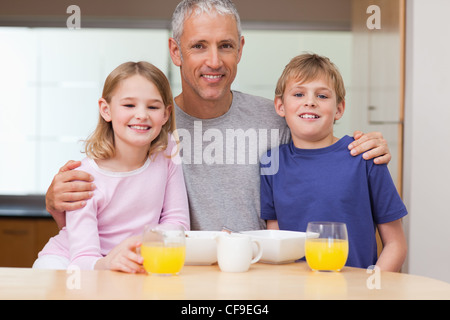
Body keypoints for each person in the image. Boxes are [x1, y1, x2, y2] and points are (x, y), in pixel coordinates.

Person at [45, 0, 392, 232]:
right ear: (175, 51)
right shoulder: (148, 125)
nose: (214, 61)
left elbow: (324, 158)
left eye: (225, 45)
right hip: (176, 279)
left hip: (266, 279)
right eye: (199, 46)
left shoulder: (278, 119)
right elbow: (108, 202)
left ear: (240, 49)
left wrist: (363, 145)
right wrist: (57, 202)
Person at [33, 61, 190, 272]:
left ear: (165, 114)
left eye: (153, 107)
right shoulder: (83, 178)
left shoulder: (167, 153)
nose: (142, 115)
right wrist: (110, 261)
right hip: (71, 262)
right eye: (129, 105)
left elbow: (177, 222)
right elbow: (83, 258)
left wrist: (141, 248)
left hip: (126, 261)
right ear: (106, 110)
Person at [260, 53, 407, 271]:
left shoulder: (364, 157)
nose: (310, 102)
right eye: (299, 94)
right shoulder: (271, 162)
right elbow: (276, 242)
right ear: (280, 106)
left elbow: (396, 244)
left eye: (322, 96)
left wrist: (370, 290)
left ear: (339, 109)